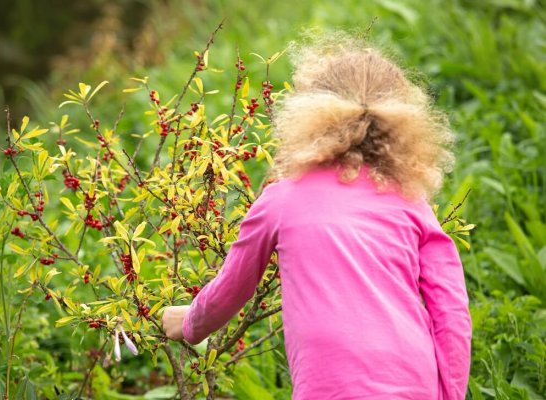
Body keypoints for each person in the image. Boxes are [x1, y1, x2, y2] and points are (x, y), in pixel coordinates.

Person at [162, 36, 472, 400]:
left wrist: (189, 323)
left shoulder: (282, 198)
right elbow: (451, 311)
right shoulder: (410, 203)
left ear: (310, 112)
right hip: (414, 382)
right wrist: (450, 393)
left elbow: (233, 287)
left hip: (330, 389)